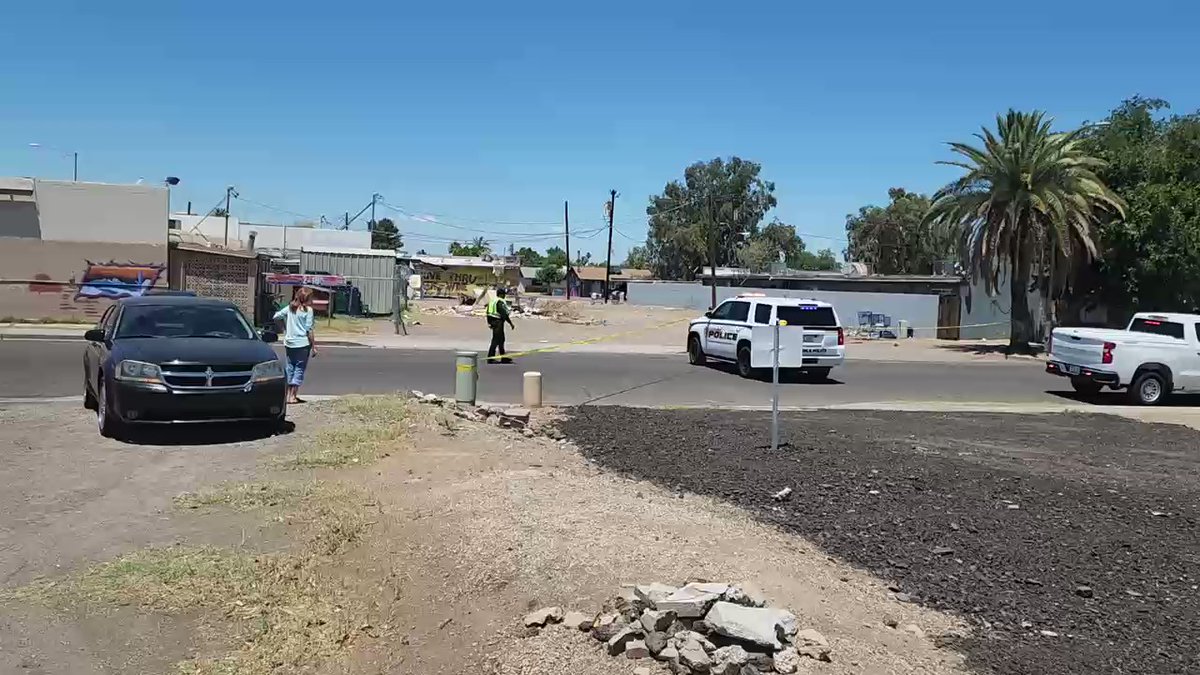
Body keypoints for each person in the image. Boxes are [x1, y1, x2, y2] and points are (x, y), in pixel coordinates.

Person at [273, 287, 318, 403]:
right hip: (302, 343)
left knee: (290, 367)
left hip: (289, 342)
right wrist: (314, 346)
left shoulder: (290, 308)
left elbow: (276, 316)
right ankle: (293, 395)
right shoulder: (308, 310)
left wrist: (284, 329)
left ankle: (287, 395)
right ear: (307, 298)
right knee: (299, 368)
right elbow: (309, 330)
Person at [486, 287, 515, 364]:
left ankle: (503, 357)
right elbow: (504, 314)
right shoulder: (500, 302)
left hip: (493, 321)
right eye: (504, 294)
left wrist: (489, 323)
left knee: (501, 340)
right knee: (495, 340)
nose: (505, 296)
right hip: (498, 322)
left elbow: (488, 313)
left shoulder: (493, 301)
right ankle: (490, 358)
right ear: (501, 294)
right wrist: (510, 323)